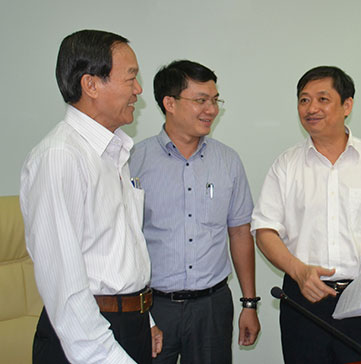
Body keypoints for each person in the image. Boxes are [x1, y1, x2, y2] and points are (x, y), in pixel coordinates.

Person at [251, 66, 361, 363]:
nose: (311, 108)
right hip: (305, 300)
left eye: (322, 99)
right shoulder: (286, 165)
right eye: (304, 100)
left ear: (347, 105)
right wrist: (298, 271)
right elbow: (264, 231)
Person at [20, 29, 162, 363]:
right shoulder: (60, 157)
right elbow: (64, 287)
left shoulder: (114, 152)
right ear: (91, 85)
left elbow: (113, 251)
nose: (139, 90)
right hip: (86, 340)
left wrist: (146, 318)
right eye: (131, 79)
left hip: (128, 325)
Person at [129, 60, 260, 364]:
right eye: (201, 100)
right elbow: (125, 238)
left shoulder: (228, 161)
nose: (212, 109)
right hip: (153, 307)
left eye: (215, 100)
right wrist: (142, 316)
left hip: (212, 306)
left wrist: (249, 304)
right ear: (169, 103)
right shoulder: (135, 160)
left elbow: (240, 231)